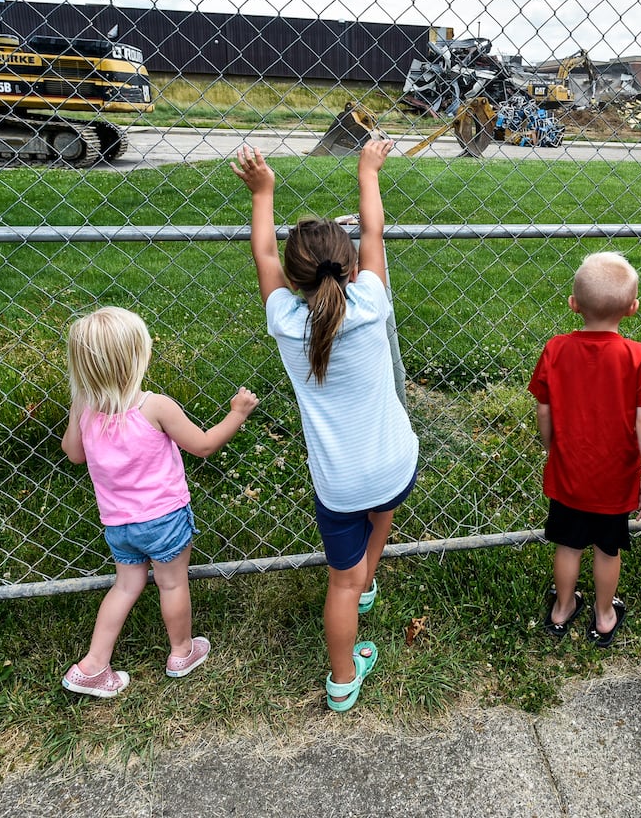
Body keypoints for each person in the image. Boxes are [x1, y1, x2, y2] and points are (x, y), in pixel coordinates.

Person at [232, 139, 419, 712]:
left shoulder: (285, 321)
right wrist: (369, 170)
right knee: (381, 513)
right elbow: (375, 233)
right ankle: (368, 583)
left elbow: (264, 253)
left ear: (293, 278)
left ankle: (343, 680)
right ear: (353, 266)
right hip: (394, 464)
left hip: (336, 485)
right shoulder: (371, 302)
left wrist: (262, 192)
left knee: (339, 579)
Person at [60, 306, 258, 698]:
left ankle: (93, 666)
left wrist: (79, 409)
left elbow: (73, 454)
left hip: (119, 524)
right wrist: (237, 414)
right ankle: (182, 652)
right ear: (139, 356)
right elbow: (202, 446)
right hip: (165, 519)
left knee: (124, 586)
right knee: (171, 584)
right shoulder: (155, 406)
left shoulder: (85, 408)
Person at [527, 251, 641, 647]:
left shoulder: (556, 349)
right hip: (615, 477)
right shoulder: (638, 356)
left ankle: (562, 609)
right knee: (607, 548)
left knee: (568, 545)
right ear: (632, 308)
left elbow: (543, 406)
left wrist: (553, 446)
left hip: (569, 471)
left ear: (574, 305)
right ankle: (604, 616)